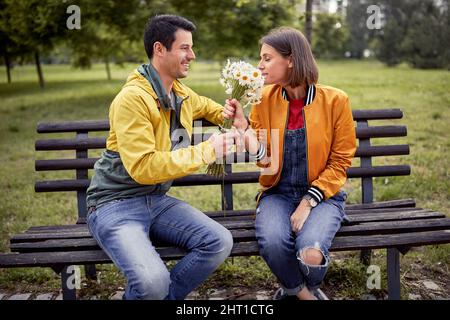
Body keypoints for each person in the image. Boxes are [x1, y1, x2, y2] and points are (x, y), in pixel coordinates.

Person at [86, 15, 239, 300]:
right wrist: (209, 149)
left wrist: (231, 113)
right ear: (160, 49)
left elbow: (211, 108)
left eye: (191, 48)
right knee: (152, 281)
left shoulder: (179, 92)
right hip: (114, 205)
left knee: (218, 242)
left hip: (156, 201)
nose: (191, 55)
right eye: (184, 48)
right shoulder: (132, 99)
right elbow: (143, 167)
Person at [223, 27, 356, 300]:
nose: (260, 65)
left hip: (323, 197)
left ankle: (291, 288)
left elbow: (341, 162)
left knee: (311, 252)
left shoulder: (335, 101)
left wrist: (307, 203)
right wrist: (244, 129)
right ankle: (304, 294)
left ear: (291, 59)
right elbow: (265, 161)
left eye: (267, 58)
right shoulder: (263, 100)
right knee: (273, 241)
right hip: (277, 194)